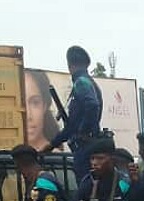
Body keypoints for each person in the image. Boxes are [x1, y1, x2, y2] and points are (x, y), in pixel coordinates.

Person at [41, 46, 103, 183]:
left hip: (86, 148)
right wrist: (52, 144)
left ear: (69, 65)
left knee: (85, 187)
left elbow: (92, 105)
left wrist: (83, 132)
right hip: (86, 146)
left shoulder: (81, 82)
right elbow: (71, 126)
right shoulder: (89, 83)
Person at [24, 70, 61, 152]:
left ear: (44, 105)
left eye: (35, 103)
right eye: (21, 104)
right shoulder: (2, 157)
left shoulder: (56, 156)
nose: (28, 116)